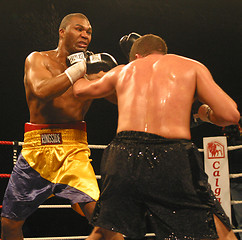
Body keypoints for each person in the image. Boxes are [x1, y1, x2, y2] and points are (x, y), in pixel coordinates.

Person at [73, 34, 240, 239]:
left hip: (122, 156)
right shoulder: (191, 66)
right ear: (163, 52)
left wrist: (78, 66)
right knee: (215, 224)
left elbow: (80, 90)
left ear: (136, 55)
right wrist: (208, 114)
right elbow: (231, 115)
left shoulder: (123, 70)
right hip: (172, 155)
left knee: (106, 228)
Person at [1, 13, 123, 240]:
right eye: (79, 29)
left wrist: (121, 72)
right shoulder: (38, 59)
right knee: (8, 223)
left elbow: (118, 98)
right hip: (36, 150)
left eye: (88, 31)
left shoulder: (93, 67)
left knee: (103, 220)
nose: (85, 35)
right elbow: (42, 90)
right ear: (62, 32)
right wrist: (77, 71)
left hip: (73, 149)